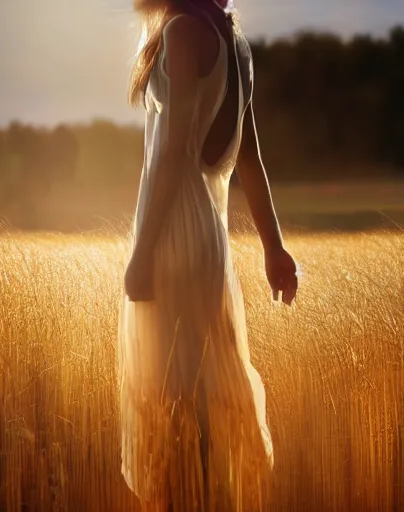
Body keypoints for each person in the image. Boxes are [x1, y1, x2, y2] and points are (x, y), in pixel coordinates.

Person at [117, 0, 298, 510]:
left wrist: (144, 250)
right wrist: (274, 249)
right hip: (208, 239)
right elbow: (250, 158)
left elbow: (173, 152)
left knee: (172, 409)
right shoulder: (234, 39)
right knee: (205, 400)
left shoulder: (180, 32)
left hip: (174, 230)